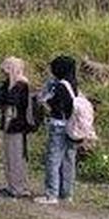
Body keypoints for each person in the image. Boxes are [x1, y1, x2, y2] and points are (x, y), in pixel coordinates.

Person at [0, 56, 34, 197]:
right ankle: (12, 186)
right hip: (9, 123)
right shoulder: (11, 83)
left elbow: (9, 100)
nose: (4, 74)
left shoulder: (21, 84)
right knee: (9, 156)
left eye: (6, 71)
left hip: (17, 125)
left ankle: (18, 188)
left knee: (16, 156)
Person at [36, 55, 79, 204]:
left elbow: (49, 103)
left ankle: (51, 194)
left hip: (58, 126)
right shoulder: (73, 84)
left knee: (53, 159)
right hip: (72, 127)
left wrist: (44, 97)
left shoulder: (60, 86)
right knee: (69, 160)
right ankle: (66, 194)